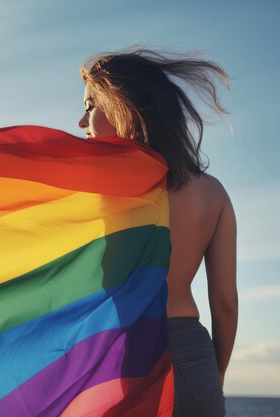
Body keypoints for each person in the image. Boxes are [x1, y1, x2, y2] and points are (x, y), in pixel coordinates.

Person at [78, 48, 238, 417]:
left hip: (124, 359)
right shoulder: (213, 193)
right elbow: (226, 303)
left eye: (90, 106)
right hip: (193, 360)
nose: (81, 120)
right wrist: (216, 375)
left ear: (123, 105)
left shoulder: (102, 192)